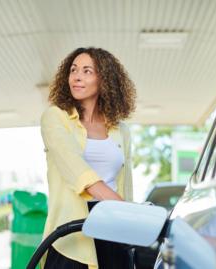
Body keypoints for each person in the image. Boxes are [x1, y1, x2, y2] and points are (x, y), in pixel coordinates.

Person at [40, 47, 136, 269]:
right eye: (73, 70)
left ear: (104, 79)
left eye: (86, 71)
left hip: (112, 228)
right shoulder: (55, 118)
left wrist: (129, 218)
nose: (77, 77)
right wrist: (124, 207)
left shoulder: (121, 130)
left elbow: (126, 183)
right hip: (71, 233)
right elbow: (72, 164)